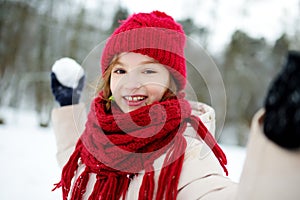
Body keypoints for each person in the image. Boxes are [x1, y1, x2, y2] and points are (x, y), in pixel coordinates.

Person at [50, 11, 300, 200]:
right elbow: (76, 164)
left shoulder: (183, 154)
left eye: (148, 71)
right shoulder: (95, 139)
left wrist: (279, 146)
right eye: (121, 70)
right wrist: (66, 105)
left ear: (172, 81)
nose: (130, 83)